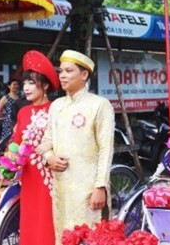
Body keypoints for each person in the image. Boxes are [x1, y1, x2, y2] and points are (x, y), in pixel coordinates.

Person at [37, 50, 114, 245]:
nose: (62, 75)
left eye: (68, 71)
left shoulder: (99, 105)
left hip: (87, 190)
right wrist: (48, 157)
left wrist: (100, 187)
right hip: (61, 188)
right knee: (62, 236)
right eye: (61, 71)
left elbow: (106, 148)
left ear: (84, 74)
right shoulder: (56, 106)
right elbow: (47, 139)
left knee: (89, 237)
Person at [12, 50, 60, 245]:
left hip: (49, 176)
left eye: (32, 83)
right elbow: (15, 143)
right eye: (25, 83)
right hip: (28, 177)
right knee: (30, 220)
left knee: (48, 221)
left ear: (46, 85)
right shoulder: (23, 111)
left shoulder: (56, 110)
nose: (26, 87)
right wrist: (10, 161)